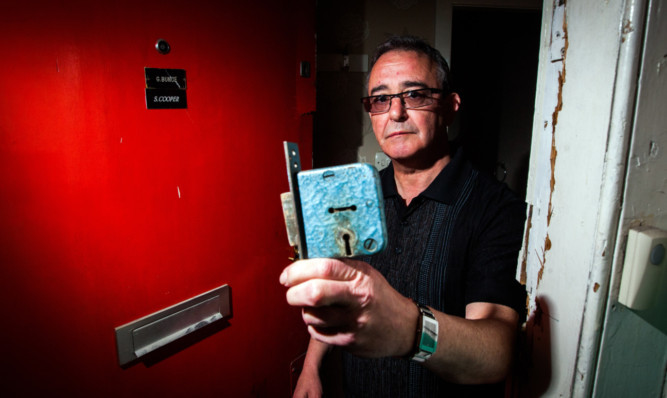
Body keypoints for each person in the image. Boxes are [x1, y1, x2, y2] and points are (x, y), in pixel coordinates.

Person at [280, 35, 526, 397]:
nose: (396, 113)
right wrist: (312, 366)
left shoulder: (493, 206)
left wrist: (410, 328)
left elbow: (496, 354)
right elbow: (336, 291)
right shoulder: (359, 195)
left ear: (450, 106)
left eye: (415, 95)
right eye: (381, 99)